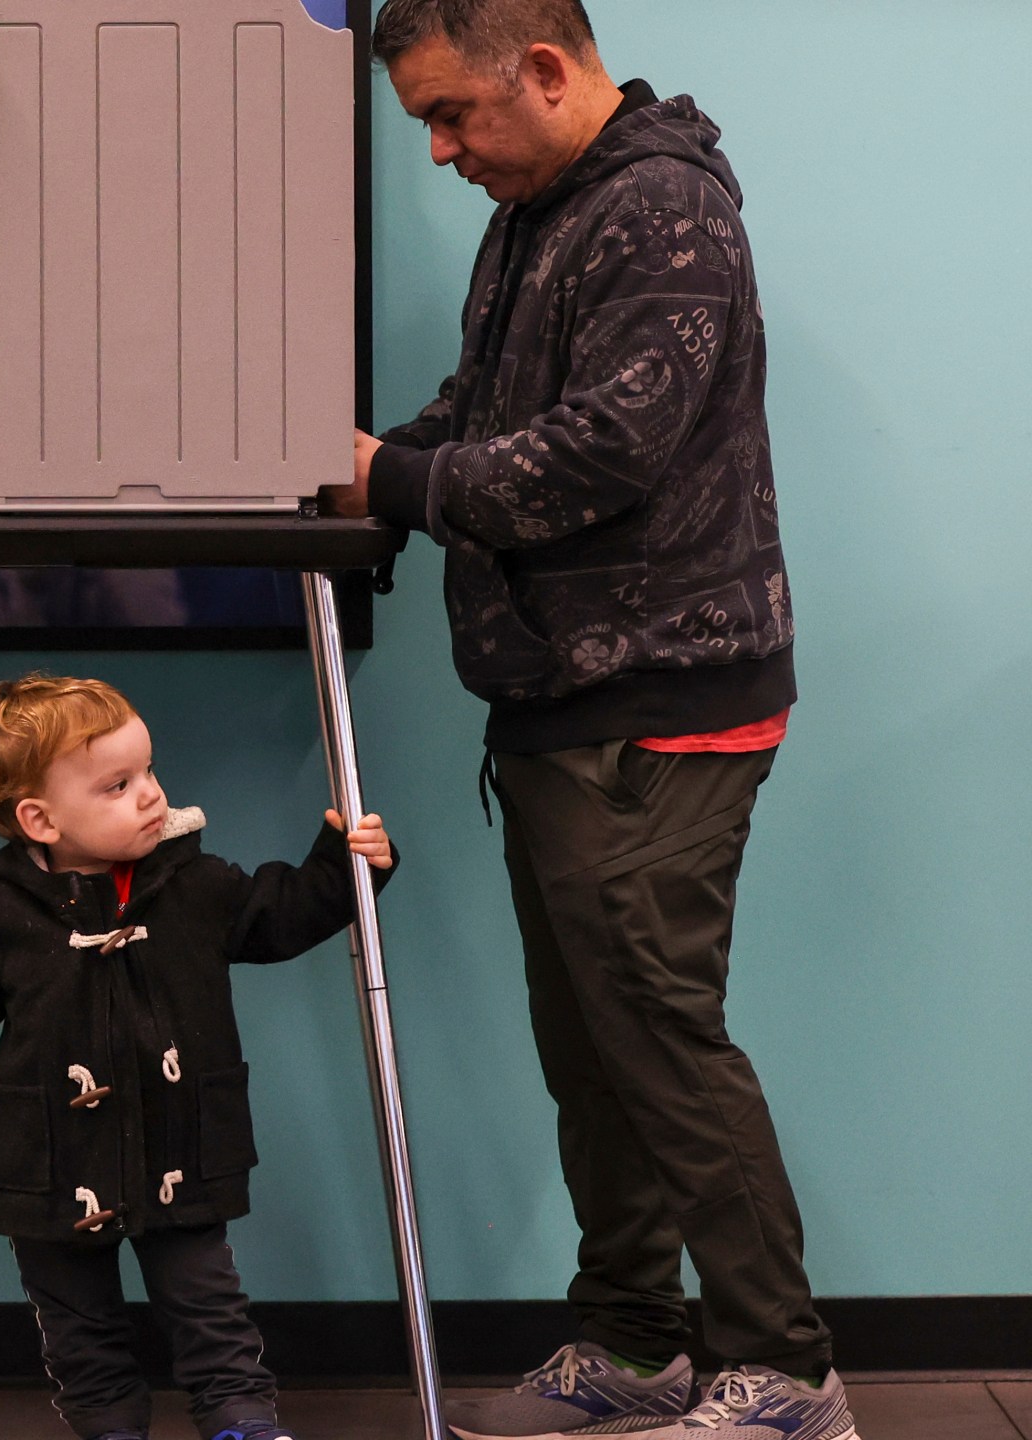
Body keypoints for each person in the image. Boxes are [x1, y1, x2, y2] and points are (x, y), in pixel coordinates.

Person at [327, 4, 851, 1439]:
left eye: (453, 116)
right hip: (564, 709)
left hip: (659, 709)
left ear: (545, 71)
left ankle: (789, 1381)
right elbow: (486, 411)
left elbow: (603, 454)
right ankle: (637, 1344)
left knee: (661, 1042)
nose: (438, 150)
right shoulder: (542, 212)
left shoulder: (664, 211)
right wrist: (365, 460)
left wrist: (392, 485)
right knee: (597, 1047)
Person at [0, 675, 394, 1440]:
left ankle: (241, 1416)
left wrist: (350, 868)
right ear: (38, 819)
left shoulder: (193, 881)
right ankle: (108, 1425)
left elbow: (280, 918)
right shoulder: (4, 906)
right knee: (75, 1317)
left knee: (207, 1300)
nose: (150, 796)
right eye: (117, 785)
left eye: (148, 772)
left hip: (177, 1136)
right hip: (53, 1155)